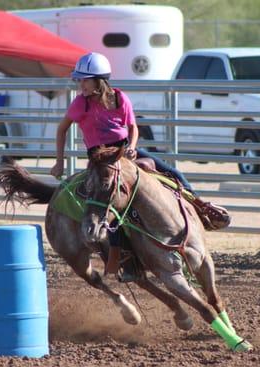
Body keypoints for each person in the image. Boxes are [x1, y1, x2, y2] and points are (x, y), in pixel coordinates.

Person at [50, 52, 202, 282]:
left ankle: (200, 208)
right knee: (111, 206)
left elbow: (133, 128)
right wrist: (60, 161)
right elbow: (62, 129)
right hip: (101, 160)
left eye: (84, 80)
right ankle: (124, 260)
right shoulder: (80, 104)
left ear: (98, 80)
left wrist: (132, 146)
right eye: (79, 80)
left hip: (123, 152)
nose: (80, 84)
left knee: (173, 173)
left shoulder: (120, 99)